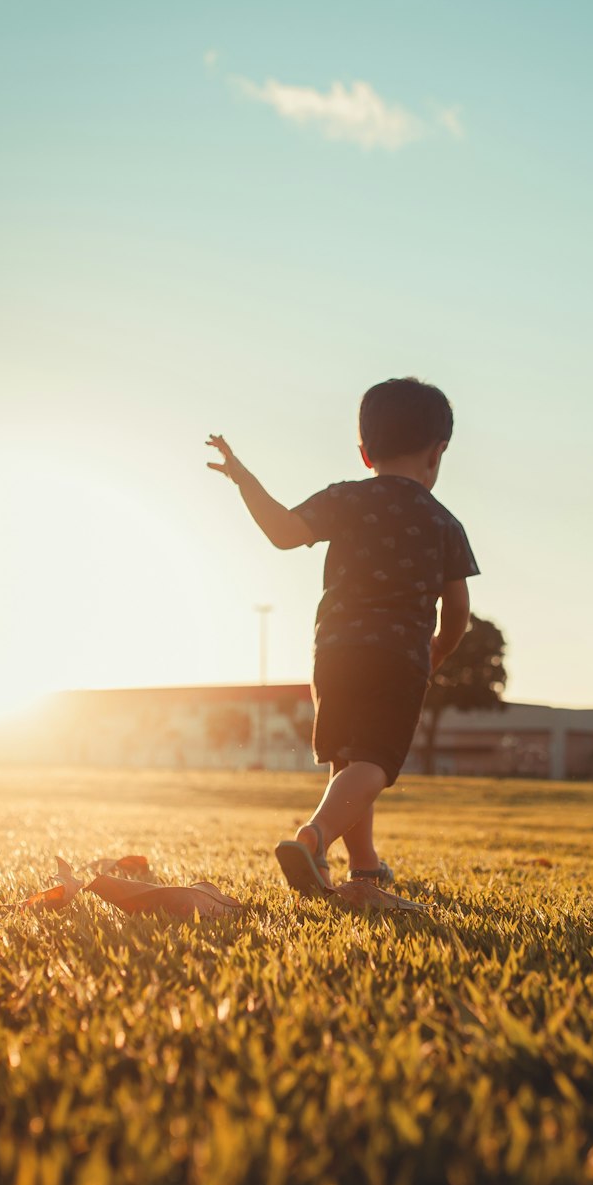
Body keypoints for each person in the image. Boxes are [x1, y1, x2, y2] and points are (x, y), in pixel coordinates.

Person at [206, 377, 479, 895]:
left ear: (364, 452)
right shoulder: (444, 523)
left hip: (333, 653)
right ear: (438, 452)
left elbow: (284, 532)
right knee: (375, 762)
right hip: (398, 659)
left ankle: (364, 867)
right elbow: (458, 611)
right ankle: (314, 838)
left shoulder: (346, 500)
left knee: (348, 760)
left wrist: (244, 479)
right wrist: (437, 652)